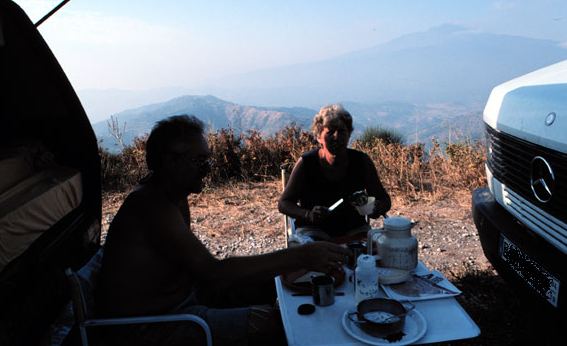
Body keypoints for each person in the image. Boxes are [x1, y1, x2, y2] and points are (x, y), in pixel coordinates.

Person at [96, 115, 351, 346]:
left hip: (183, 300)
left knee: (272, 286)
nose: (208, 168)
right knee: (273, 324)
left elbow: (202, 271)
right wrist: (300, 256)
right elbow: (213, 274)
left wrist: (284, 265)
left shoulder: (172, 195)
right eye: (199, 161)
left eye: (208, 159)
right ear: (169, 161)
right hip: (150, 327)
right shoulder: (153, 205)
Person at [278, 104, 391, 242]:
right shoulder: (307, 163)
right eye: (330, 132)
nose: (337, 137)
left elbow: (384, 199)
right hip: (313, 230)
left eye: (342, 131)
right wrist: (308, 214)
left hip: (353, 230)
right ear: (319, 137)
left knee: (368, 257)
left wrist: (376, 208)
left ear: (349, 134)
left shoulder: (361, 162)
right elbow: (284, 203)